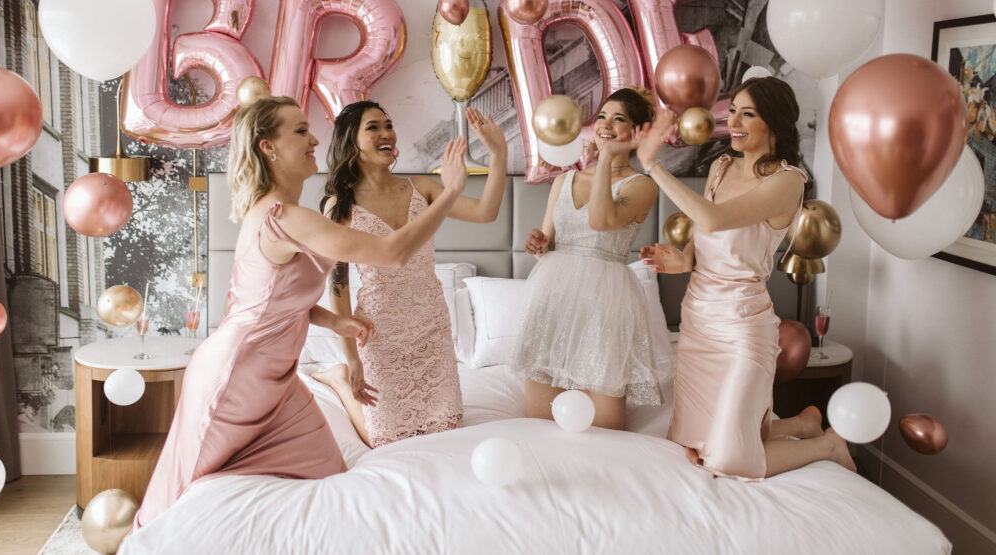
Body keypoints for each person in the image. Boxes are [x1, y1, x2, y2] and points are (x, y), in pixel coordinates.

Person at [134, 96, 468, 528]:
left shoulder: (290, 216)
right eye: (299, 132)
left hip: (280, 380)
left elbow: (274, 297)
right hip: (239, 376)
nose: (314, 140)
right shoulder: (281, 217)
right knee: (179, 497)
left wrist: (332, 320)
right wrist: (452, 191)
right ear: (267, 147)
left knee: (329, 472)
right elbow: (394, 252)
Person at [635, 76, 855, 479]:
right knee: (688, 445)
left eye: (747, 114)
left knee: (727, 460)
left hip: (742, 326)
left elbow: (714, 219)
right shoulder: (720, 166)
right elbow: (706, 239)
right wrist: (683, 261)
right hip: (698, 321)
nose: (733, 121)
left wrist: (652, 164)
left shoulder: (788, 181)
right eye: (732, 110)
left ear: (774, 123)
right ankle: (801, 424)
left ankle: (827, 444)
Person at [312, 101, 507, 447]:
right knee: (383, 439)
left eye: (388, 125)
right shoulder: (339, 205)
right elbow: (337, 289)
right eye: (373, 127)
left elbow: (487, 212)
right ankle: (339, 380)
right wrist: (352, 360)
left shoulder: (422, 188)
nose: (386, 133)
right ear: (350, 141)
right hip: (378, 332)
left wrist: (498, 155)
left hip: (431, 325)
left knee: (445, 429)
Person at [512, 88, 673, 431]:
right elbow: (548, 244)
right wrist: (538, 244)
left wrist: (608, 159)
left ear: (637, 132)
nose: (606, 124)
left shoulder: (641, 186)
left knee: (606, 427)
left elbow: (602, 221)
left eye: (619, 119)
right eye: (602, 116)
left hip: (604, 304)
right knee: (538, 424)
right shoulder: (564, 179)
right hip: (555, 298)